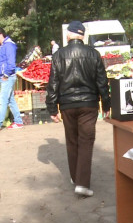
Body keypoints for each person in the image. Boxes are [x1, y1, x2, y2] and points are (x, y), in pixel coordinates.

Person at [46, 21, 111, 197]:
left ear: (69, 35)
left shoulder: (59, 55)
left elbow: (53, 83)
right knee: (86, 141)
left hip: (67, 105)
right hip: (89, 104)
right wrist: (106, 104)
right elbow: (102, 82)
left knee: (72, 141)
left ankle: (76, 178)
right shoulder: (93, 54)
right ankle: (82, 183)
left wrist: (52, 108)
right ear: (82, 35)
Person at [0, 27, 24, 131]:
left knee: (3, 100)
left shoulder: (9, 45)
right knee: (10, 100)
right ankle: (18, 122)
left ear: (0, 35)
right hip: (4, 76)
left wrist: (6, 75)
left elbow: (11, 63)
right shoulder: (1, 46)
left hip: (7, 77)